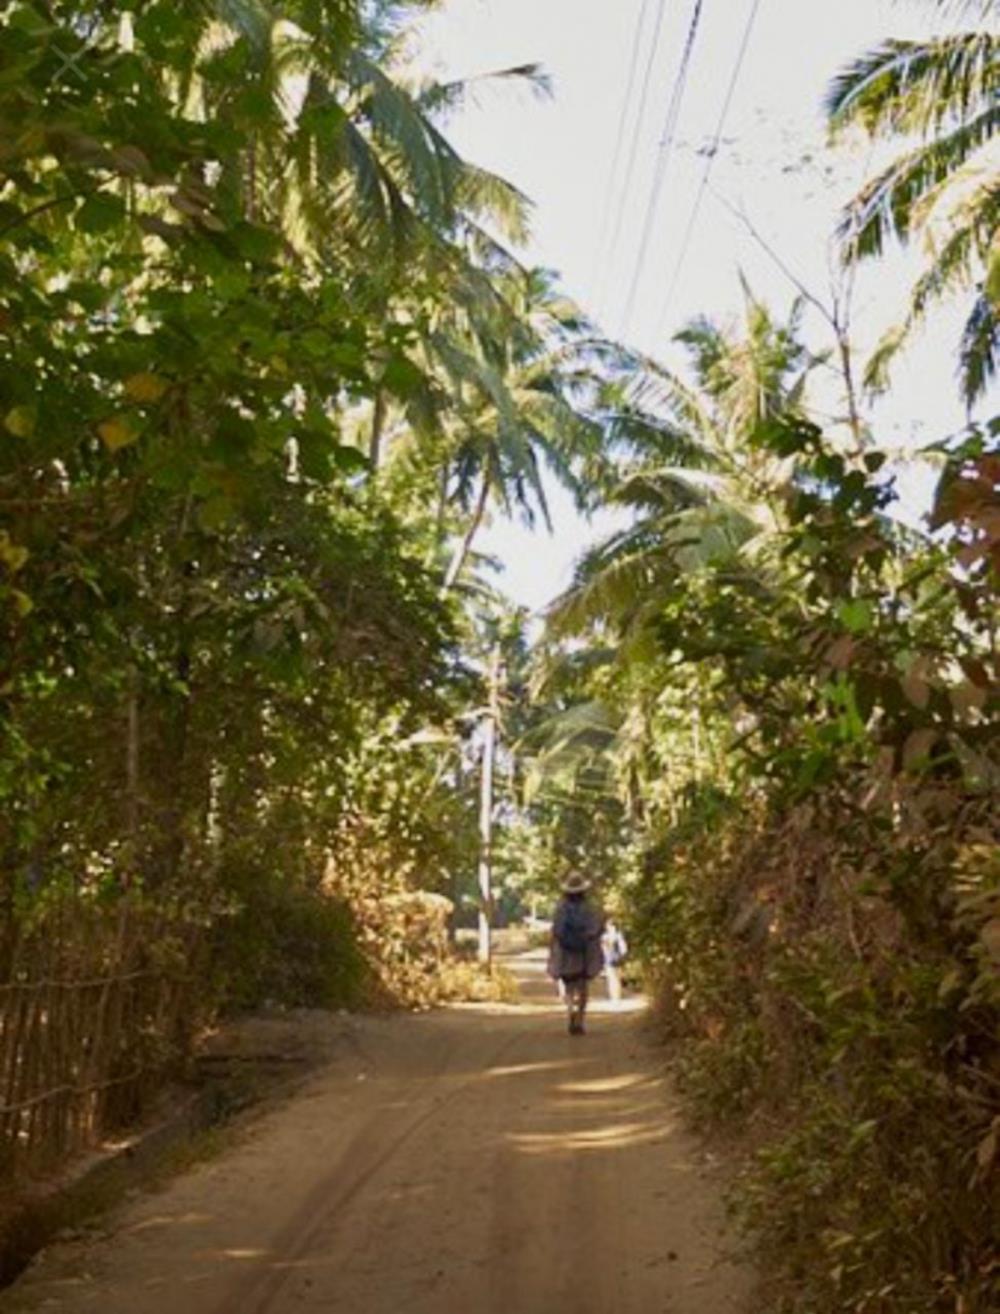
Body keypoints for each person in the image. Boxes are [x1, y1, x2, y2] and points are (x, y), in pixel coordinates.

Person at [547, 873, 604, 1035]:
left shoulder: (561, 908)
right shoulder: (590, 908)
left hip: (565, 954)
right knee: (583, 987)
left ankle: (571, 1010)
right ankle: (579, 1019)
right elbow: (595, 929)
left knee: (569, 987)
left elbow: (556, 931)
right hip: (584, 953)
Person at [601, 918, 628, 1004]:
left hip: (612, 959)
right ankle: (615, 997)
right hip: (613, 959)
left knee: (614, 979)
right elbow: (624, 949)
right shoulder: (609, 936)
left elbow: (623, 948)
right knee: (614, 979)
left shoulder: (609, 936)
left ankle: (615, 997)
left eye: (611, 925)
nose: (611, 927)